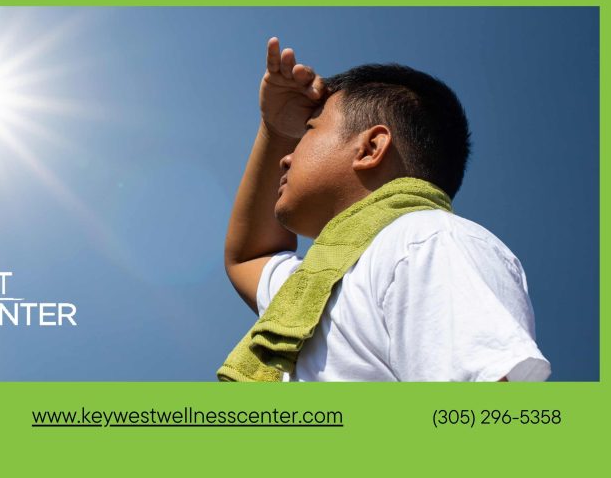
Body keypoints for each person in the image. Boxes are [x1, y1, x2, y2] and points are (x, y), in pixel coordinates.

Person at [219, 37, 550, 382]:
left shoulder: (423, 242)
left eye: (307, 132)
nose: (285, 158)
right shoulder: (311, 293)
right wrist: (276, 132)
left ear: (370, 148)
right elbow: (248, 256)